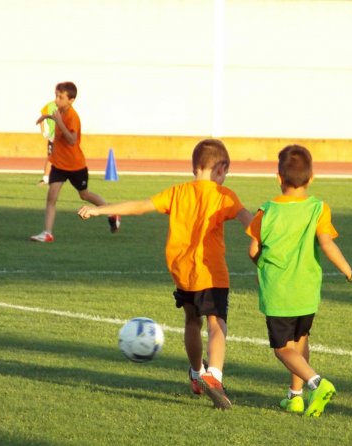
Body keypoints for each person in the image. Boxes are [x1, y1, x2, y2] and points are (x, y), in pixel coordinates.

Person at [77, 139, 253, 410]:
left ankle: (196, 374)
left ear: (195, 167)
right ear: (221, 168)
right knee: (217, 324)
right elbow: (245, 218)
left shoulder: (177, 192)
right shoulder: (224, 195)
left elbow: (140, 205)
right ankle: (214, 376)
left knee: (192, 322)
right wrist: (261, 236)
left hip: (182, 272)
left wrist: (101, 209)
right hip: (211, 272)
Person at [246, 144, 352, 417]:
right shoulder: (318, 209)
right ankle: (296, 396)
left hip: (279, 293)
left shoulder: (265, 212)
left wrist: (261, 264)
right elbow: (327, 245)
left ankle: (317, 383)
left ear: (278, 177)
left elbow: (253, 250)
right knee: (300, 340)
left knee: (282, 349)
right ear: (311, 178)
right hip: (307, 292)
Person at [30, 81, 119, 242]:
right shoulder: (59, 112)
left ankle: (112, 212)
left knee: (84, 195)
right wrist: (48, 117)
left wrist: (58, 122)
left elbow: (72, 140)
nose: (57, 99)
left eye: (60, 97)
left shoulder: (72, 117)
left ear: (71, 100)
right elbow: (58, 122)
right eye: (56, 96)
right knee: (51, 198)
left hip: (75, 165)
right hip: (59, 164)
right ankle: (47, 233)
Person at [38, 100, 57, 185]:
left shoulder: (67, 106)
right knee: (50, 157)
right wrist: (43, 130)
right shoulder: (49, 106)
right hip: (53, 136)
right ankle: (46, 179)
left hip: (63, 136)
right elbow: (42, 117)